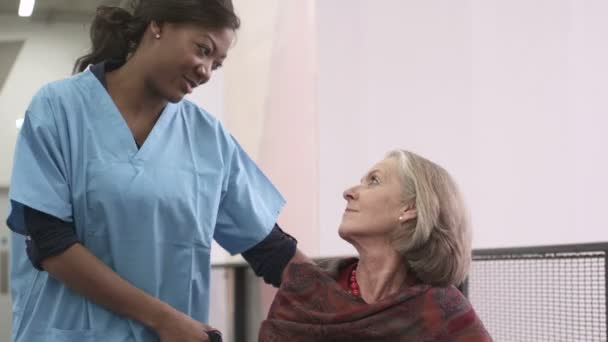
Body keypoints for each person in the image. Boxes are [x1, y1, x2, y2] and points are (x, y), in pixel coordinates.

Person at [5, 1, 310, 341]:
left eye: (216, 64)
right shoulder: (58, 109)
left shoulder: (208, 139)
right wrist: (163, 320)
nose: (206, 71)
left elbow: (271, 249)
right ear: (159, 24)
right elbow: (50, 243)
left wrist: (350, 302)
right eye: (203, 50)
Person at [259, 150, 492, 341]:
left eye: (374, 181)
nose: (348, 192)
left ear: (409, 208)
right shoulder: (307, 291)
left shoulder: (444, 313)